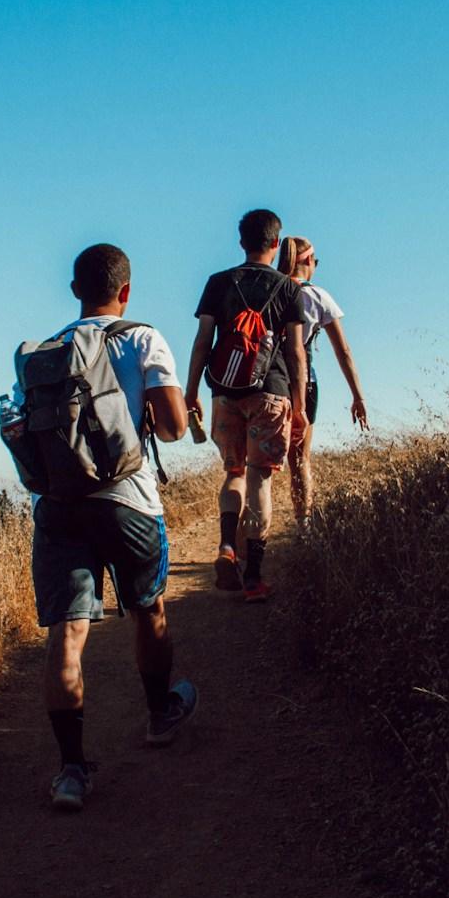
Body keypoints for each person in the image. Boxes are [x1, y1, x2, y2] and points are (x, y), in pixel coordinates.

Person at [8, 243, 196, 812]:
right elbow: (171, 430)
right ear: (127, 290)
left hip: (62, 505)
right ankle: (160, 715)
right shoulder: (144, 338)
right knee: (149, 609)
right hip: (129, 502)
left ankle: (71, 771)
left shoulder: (46, 353)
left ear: (74, 290)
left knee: (66, 635)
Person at [184, 208, 307, 603]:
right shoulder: (290, 289)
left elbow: (203, 341)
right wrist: (300, 405)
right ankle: (253, 578)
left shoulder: (218, 282)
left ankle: (225, 546)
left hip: (225, 393)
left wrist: (190, 393)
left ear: (241, 242)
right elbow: (296, 353)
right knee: (260, 479)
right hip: (271, 393)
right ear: (276, 244)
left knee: (233, 473)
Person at [277, 235, 369, 525]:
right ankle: (304, 525)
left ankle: (252, 533)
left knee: (260, 463)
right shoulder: (317, 296)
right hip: (305, 381)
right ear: (306, 261)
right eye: (315, 261)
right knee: (300, 459)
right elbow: (343, 351)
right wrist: (358, 396)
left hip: (269, 381)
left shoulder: (271, 289)